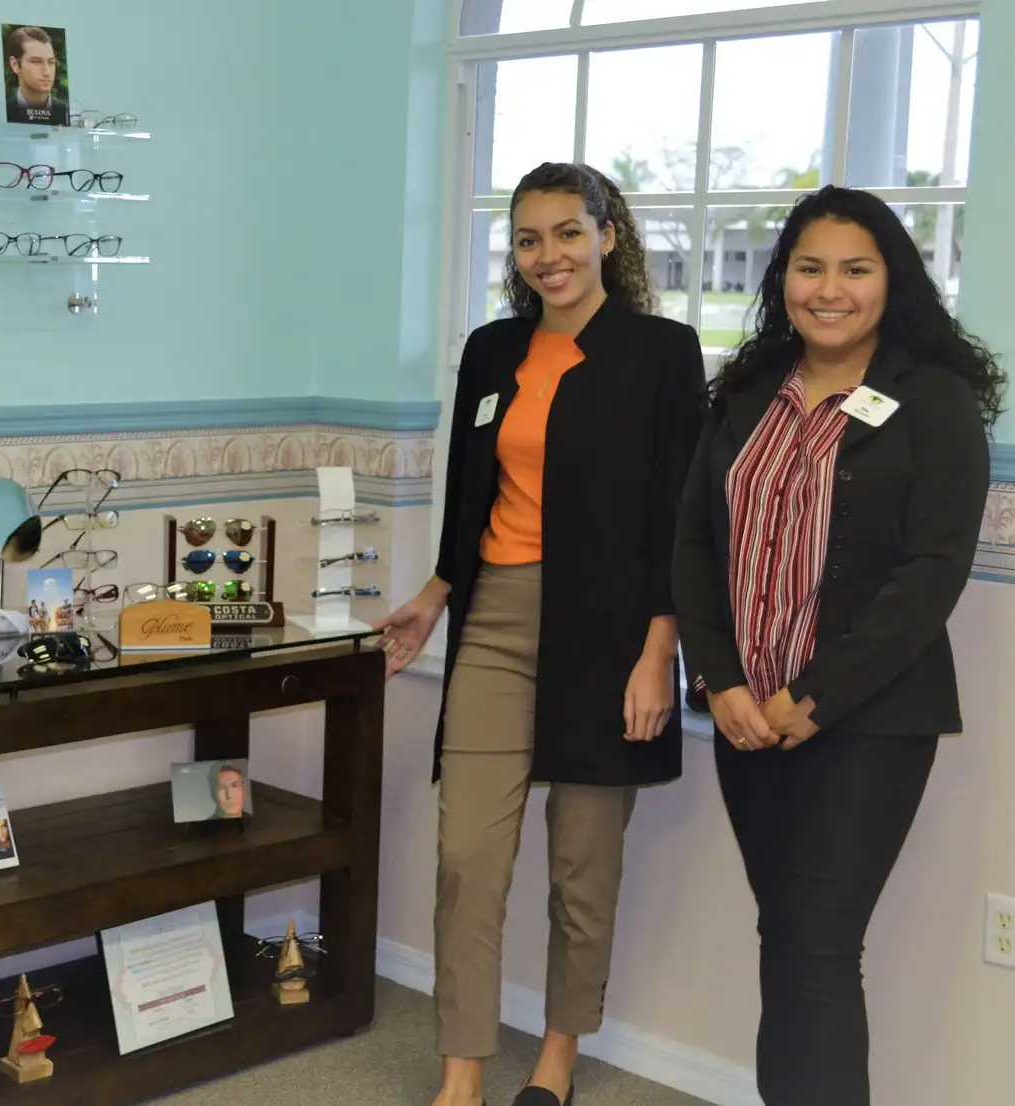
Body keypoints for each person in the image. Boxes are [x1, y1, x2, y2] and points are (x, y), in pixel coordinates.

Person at [374, 162, 707, 1106]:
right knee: (468, 856)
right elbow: (471, 491)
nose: (548, 256)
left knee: (582, 861)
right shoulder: (490, 350)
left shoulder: (661, 350)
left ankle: (557, 1058)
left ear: (608, 234)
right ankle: (462, 1072)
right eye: (528, 239)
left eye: (568, 232)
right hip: (495, 617)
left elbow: (673, 512)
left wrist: (658, 652)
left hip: (610, 631)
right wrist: (437, 591)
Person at [672, 186, 1001, 1105]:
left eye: (856, 269)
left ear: (892, 281)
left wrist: (809, 699)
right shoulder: (746, 391)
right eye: (810, 268)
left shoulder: (934, 402)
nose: (831, 289)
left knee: (815, 945)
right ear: (784, 281)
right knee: (789, 939)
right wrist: (722, 680)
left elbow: (931, 575)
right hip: (746, 717)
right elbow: (696, 542)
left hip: (866, 722)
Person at [4, 25, 68, 125]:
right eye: (36, 62)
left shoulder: (67, 113)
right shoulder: (2, 112)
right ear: (15, 65)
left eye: (51, 62)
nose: (47, 72)